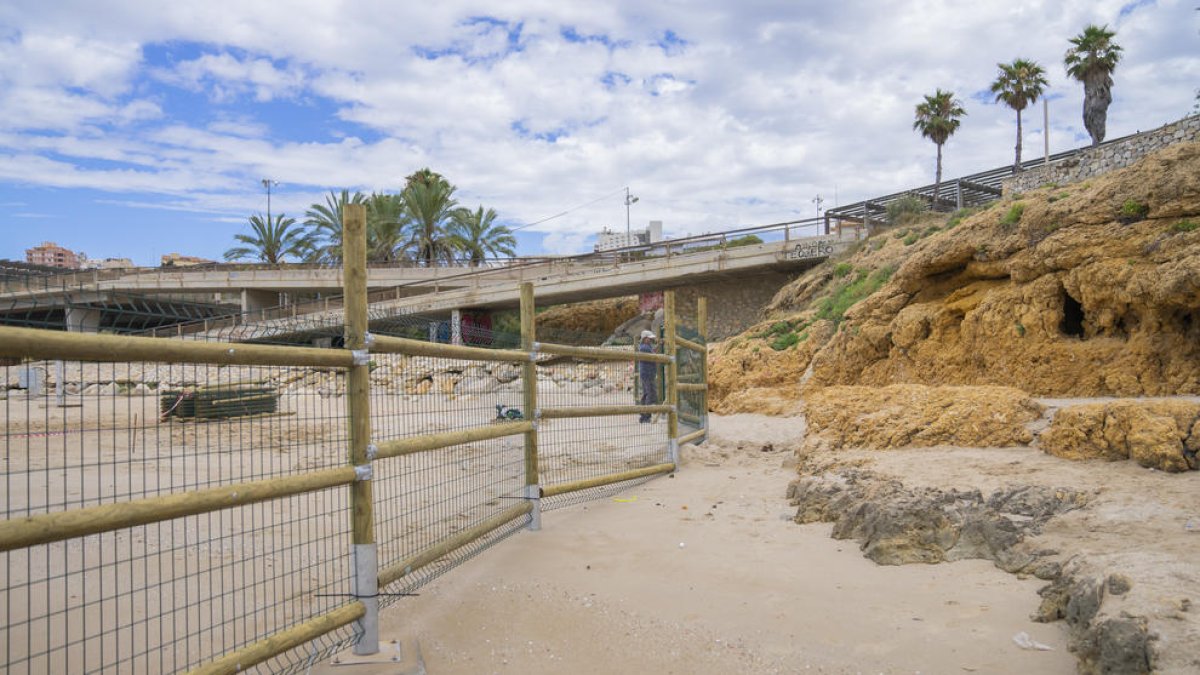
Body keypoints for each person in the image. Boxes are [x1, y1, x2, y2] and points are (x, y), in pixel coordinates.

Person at [637, 329, 658, 423]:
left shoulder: (646, 346)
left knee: (647, 393)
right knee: (650, 394)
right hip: (647, 374)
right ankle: (646, 416)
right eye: (649, 338)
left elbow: (653, 352)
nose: (650, 340)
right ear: (645, 338)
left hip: (648, 373)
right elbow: (654, 356)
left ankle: (643, 415)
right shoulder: (644, 348)